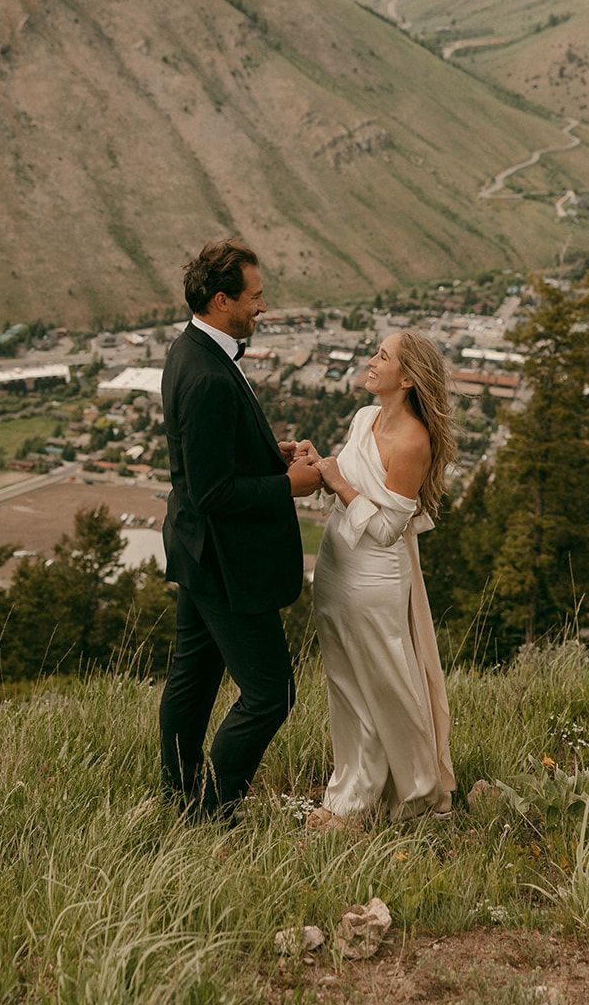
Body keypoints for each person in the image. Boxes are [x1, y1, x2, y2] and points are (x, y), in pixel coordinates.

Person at [158, 237, 321, 821]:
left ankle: (179, 794)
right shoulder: (205, 376)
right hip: (224, 562)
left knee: (193, 678)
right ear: (222, 299)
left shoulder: (191, 351)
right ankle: (213, 807)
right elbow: (212, 493)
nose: (263, 308)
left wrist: (268, 455)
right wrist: (289, 486)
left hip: (196, 550)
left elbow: (213, 462)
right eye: (255, 297)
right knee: (270, 693)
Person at [302, 329, 456, 824]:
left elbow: (390, 527)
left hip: (373, 582)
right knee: (346, 690)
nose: (371, 361)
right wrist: (315, 464)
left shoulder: (413, 441)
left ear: (407, 378)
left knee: (386, 689)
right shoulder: (364, 418)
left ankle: (407, 794)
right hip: (334, 570)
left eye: (382, 357)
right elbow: (344, 487)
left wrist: (337, 480)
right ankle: (351, 793)